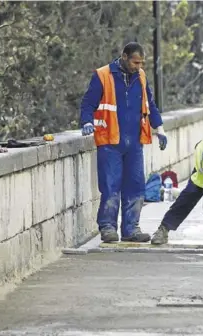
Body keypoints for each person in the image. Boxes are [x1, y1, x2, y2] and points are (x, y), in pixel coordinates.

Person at [79, 42, 167, 243]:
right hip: (110, 141)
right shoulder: (103, 76)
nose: (138, 66)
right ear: (124, 57)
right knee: (111, 186)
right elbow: (88, 103)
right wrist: (86, 122)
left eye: (142, 63)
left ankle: (131, 229)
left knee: (136, 186)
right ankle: (108, 228)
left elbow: (150, 105)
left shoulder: (142, 77)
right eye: (135, 62)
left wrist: (159, 129)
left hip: (134, 142)